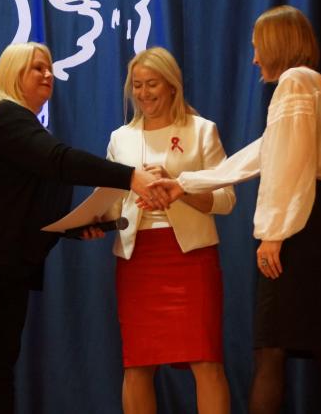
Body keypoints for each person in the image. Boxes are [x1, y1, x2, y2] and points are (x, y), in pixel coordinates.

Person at [0, 42, 165, 414]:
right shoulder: (5, 117)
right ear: (13, 74)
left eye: (50, 67)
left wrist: (74, 226)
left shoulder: (28, 129)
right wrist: (131, 176)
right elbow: (59, 162)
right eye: (38, 67)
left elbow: (27, 206)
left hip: (4, 260)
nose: (49, 74)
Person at [145, 6, 321, 414]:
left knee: (270, 350)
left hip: (304, 223)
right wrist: (184, 183)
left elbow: (289, 165)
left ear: (276, 45)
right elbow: (263, 152)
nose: (255, 58)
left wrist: (274, 233)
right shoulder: (316, 84)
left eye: (258, 48)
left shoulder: (293, 83)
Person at [104, 47, 235, 414]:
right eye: (137, 85)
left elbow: (226, 199)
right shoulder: (120, 138)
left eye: (152, 84)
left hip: (191, 259)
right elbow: (111, 203)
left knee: (206, 361)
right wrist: (96, 221)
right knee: (137, 364)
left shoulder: (201, 130)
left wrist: (179, 188)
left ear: (172, 86)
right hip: (138, 261)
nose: (144, 93)